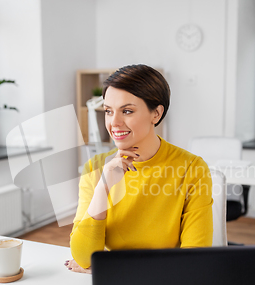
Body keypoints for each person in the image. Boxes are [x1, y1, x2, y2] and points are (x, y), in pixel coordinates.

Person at [65, 64, 213, 273]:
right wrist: (103, 188)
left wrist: (109, 267)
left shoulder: (192, 168)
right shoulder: (95, 168)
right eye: (108, 111)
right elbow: (83, 258)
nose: (114, 123)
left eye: (127, 111)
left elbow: (193, 261)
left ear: (156, 114)